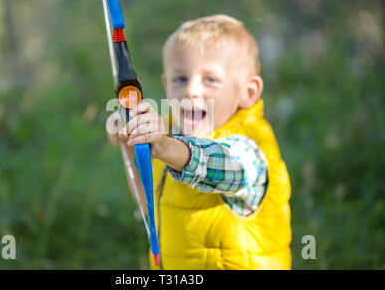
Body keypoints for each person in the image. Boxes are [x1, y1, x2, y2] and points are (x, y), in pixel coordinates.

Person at [106, 14, 292, 269]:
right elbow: (147, 202)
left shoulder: (250, 146)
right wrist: (130, 144)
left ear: (247, 92)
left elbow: (224, 164)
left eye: (210, 80)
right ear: (166, 84)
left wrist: (167, 147)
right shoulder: (168, 130)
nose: (191, 90)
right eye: (180, 78)